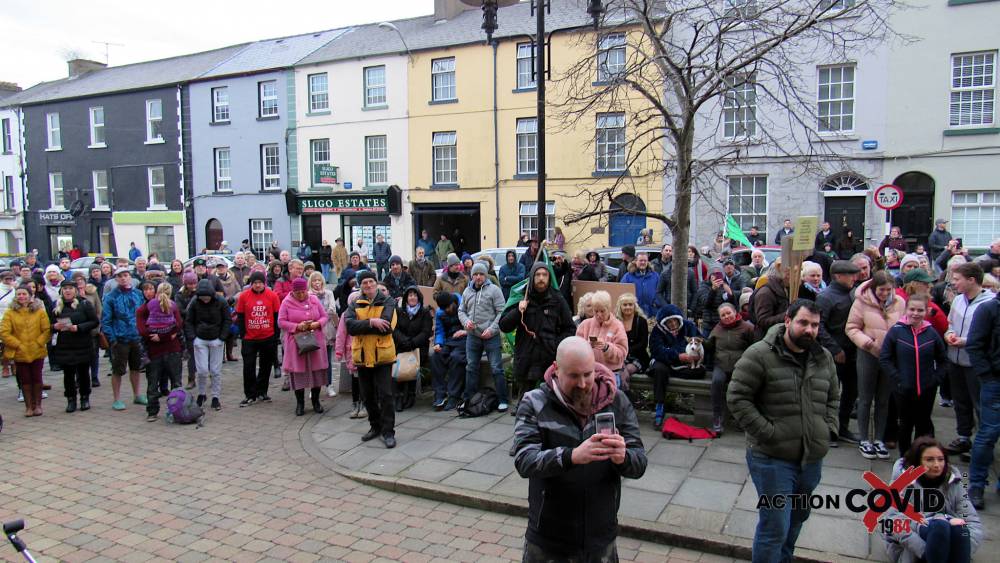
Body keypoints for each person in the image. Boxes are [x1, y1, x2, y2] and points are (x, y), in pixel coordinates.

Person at [512, 336, 646, 562]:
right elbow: (524, 460)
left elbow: (639, 463)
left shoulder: (617, 402)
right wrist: (571, 456)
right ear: (556, 370)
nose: (583, 383)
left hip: (601, 536)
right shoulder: (534, 403)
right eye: (574, 376)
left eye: (588, 374)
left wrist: (623, 457)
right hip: (549, 537)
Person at [728, 300, 839, 563]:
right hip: (772, 458)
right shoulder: (760, 354)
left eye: (814, 325)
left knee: (797, 518)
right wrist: (768, 432)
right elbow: (737, 397)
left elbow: (834, 396)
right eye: (803, 323)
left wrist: (828, 428)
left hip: (811, 458)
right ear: (788, 321)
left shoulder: (822, 357)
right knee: (775, 525)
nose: (809, 330)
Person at [881, 437, 982, 563]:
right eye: (929, 460)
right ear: (917, 461)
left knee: (959, 527)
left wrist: (958, 550)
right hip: (913, 546)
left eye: (941, 459)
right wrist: (927, 550)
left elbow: (973, 523)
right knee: (939, 526)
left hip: (949, 539)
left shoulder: (954, 482)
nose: (936, 465)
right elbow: (893, 522)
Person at [880, 293, 948, 457]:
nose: (915, 313)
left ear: (926, 311)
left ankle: (919, 458)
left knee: (923, 424)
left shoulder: (931, 333)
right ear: (906, 310)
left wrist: (935, 379)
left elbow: (943, 360)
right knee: (905, 425)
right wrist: (897, 379)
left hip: (927, 389)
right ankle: (905, 459)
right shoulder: (896, 332)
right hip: (903, 389)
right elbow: (885, 358)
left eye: (920, 310)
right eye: (912, 309)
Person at [847, 270, 905, 460]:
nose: (885, 294)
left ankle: (879, 438)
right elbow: (852, 328)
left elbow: (904, 327)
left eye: (889, 290)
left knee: (883, 399)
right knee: (865, 398)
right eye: (882, 290)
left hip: (890, 357)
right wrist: (868, 342)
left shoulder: (900, 303)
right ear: (874, 288)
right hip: (868, 353)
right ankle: (864, 438)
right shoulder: (861, 302)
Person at [499, 262, 576, 405]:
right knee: (525, 407)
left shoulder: (557, 299)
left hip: (549, 359)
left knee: (551, 405)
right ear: (532, 277)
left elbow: (570, 329)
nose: (541, 278)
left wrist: (555, 343)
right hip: (526, 359)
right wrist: (518, 310)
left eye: (545, 275)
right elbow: (504, 325)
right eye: (538, 275)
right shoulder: (522, 297)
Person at [345, 271, 399, 447]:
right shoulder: (354, 304)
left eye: (371, 281)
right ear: (360, 286)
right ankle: (375, 426)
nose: (368, 285)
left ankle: (388, 431)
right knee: (367, 396)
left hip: (382, 355)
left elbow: (386, 326)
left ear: (376, 283)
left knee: (386, 395)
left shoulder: (388, 301)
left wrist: (368, 324)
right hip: (362, 356)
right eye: (364, 282)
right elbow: (350, 327)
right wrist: (371, 322)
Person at [815, 260, 861, 445]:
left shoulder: (853, 294)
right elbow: (819, 326)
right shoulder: (826, 297)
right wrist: (834, 349)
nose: (854, 278)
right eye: (850, 275)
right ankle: (828, 429)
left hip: (853, 352)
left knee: (851, 392)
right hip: (834, 353)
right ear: (838, 276)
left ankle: (842, 427)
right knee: (830, 393)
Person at [965, 284, 1000, 509]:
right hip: (994, 381)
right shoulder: (989, 309)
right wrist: (987, 376)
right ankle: (976, 484)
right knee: (988, 434)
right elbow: (975, 345)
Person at [459, 262, 509, 412]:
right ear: (472, 276)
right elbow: (461, 311)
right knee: (471, 367)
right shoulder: (467, 291)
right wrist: (466, 322)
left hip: (490, 336)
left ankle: (503, 399)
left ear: (485, 275)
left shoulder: (494, 290)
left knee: (496, 368)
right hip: (473, 336)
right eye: (475, 274)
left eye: (481, 274)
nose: (478, 277)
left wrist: (492, 329)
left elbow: (502, 312)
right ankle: (470, 399)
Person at [278, 277, 329, 416]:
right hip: (296, 342)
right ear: (293, 292)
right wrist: (296, 326)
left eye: (303, 292)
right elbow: (281, 322)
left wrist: (317, 324)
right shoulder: (286, 302)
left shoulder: (313, 299)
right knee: (299, 372)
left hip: (315, 340)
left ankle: (316, 401)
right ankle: (300, 403)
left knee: (317, 371)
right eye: (298, 292)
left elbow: (324, 317)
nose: (301, 295)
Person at [647, 304, 703, 428]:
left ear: (679, 319)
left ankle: (671, 372)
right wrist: (678, 355)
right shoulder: (658, 330)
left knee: (699, 371)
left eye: (674, 320)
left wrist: (696, 355)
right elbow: (656, 350)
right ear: (664, 323)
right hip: (665, 362)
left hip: (684, 363)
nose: (672, 324)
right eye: (669, 322)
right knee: (659, 370)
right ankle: (659, 406)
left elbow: (700, 342)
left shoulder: (689, 326)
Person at [50, 278, 100, 413]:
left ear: (75, 290)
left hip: (82, 344)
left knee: (83, 373)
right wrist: (54, 326)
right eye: (65, 288)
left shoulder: (84, 303)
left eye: (70, 288)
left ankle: (85, 398)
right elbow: (48, 325)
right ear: (61, 290)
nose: (67, 291)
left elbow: (94, 322)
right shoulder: (56, 305)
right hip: (65, 345)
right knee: (68, 375)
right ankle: (71, 399)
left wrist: (79, 327)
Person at [1, 285, 51, 417]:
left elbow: (46, 330)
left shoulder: (39, 311)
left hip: (37, 350)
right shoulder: (10, 313)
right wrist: (17, 344)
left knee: (37, 378)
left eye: (24, 294)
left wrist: (38, 342)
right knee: (25, 380)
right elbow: (4, 332)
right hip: (20, 351)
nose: (21, 297)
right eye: (19, 294)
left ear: (30, 296)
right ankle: (29, 406)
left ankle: (38, 405)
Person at [704, 302, 754, 434]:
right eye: (723, 315)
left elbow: (755, 347)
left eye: (728, 313)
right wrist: (701, 342)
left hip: (741, 365)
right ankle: (717, 417)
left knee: (741, 387)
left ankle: (741, 418)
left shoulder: (747, 327)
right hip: (721, 364)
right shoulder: (717, 329)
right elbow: (709, 346)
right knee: (717, 382)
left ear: (735, 312)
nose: (726, 317)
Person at [136, 283, 182, 421]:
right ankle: (152, 411)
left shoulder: (171, 305)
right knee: (153, 383)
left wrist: (161, 336)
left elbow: (178, 324)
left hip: (171, 349)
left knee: (176, 382)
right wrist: (161, 335)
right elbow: (142, 329)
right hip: (154, 350)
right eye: (146, 289)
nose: (149, 292)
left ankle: (177, 410)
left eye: (151, 289)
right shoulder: (143, 309)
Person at [102, 268, 147, 411]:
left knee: (136, 367)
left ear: (130, 277)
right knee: (118, 370)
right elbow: (106, 321)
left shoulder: (138, 294)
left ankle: (137, 394)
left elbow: (144, 314)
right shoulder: (111, 297)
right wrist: (112, 339)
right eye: (120, 276)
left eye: (125, 275)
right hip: (120, 339)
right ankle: (117, 399)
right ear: (116, 279)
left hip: (136, 337)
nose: (123, 278)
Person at [234, 271, 280, 407]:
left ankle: (262, 392)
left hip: (268, 336)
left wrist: (275, 336)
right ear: (251, 284)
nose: (258, 285)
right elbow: (240, 316)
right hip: (250, 338)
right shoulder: (244, 296)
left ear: (264, 283)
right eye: (255, 283)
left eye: (260, 283)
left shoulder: (272, 296)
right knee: (249, 367)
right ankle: (250, 394)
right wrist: (243, 335)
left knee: (266, 366)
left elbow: (276, 316)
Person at [185, 279, 231, 411]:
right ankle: (201, 393)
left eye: (207, 297)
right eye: (202, 298)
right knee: (202, 370)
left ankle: (215, 397)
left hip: (216, 339)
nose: (205, 300)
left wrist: (222, 337)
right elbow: (188, 320)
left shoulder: (221, 301)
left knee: (216, 371)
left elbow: (227, 320)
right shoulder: (194, 302)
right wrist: (193, 338)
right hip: (200, 339)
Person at [391, 286, 432, 412]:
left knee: (412, 371)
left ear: (419, 297)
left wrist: (412, 342)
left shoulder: (424, 312)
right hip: (401, 345)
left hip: (417, 347)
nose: (412, 297)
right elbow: (395, 328)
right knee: (398, 371)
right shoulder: (399, 311)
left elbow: (426, 331)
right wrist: (404, 341)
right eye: (410, 295)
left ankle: (410, 395)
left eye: (415, 295)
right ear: (406, 298)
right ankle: (398, 397)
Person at [575, 290, 628, 385]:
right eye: (596, 311)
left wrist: (606, 347)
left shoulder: (617, 326)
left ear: (609, 308)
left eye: (602, 311)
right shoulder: (585, 325)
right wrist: (587, 346)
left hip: (611, 373)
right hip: (589, 372)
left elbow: (622, 355)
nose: (599, 315)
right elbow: (576, 349)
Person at [430, 292, 467, 410]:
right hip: (449, 341)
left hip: (464, 340)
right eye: (443, 308)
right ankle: (440, 394)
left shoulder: (464, 307)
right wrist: (438, 343)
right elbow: (440, 331)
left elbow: (473, 324)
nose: (446, 310)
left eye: (447, 307)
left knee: (456, 358)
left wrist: (465, 331)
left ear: (452, 303)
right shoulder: (441, 313)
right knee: (435, 356)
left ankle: (454, 395)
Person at [615, 293, 649, 392]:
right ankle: (625, 397)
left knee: (626, 370)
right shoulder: (616, 322)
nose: (628, 307)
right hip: (620, 357)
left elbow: (643, 344)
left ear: (635, 306)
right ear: (620, 307)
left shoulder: (641, 321)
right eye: (625, 305)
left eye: (630, 304)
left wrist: (626, 351)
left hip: (638, 357)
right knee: (620, 369)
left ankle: (622, 396)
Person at [751, 258, 790, 339]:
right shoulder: (765, 293)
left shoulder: (785, 288)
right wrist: (787, 314)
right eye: (789, 273)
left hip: (779, 336)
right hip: (768, 338)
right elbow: (763, 321)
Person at [693, 266, 738, 335]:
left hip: (724, 323)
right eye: (714, 275)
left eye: (718, 275)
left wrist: (730, 294)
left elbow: (732, 304)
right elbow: (706, 304)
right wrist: (713, 290)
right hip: (709, 325)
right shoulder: (704, 287)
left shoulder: (724, 286)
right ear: (709, 277)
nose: (716, 277)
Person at [621, 252, 660, 318]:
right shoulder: (628, 276)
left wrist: (656, 303)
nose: (643, 262)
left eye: (645, 261)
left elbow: (660, 292)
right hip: (634, 312)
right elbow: (622, 293)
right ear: (636, 261)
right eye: (641, 260)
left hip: (652, 312)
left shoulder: (655, 275)